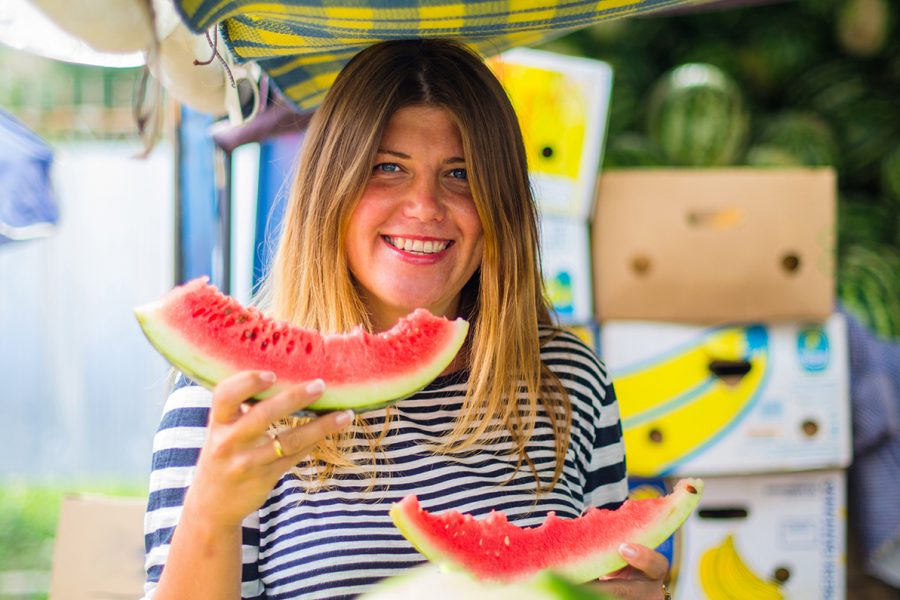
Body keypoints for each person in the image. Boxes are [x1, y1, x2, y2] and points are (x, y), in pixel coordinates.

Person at [142, 38, 670, 600]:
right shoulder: (228, 399)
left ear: (503, 204)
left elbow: (604, 577)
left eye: (461, 174)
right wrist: (208, 517)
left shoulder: (570, 381)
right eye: (388, 167)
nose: (424, 206)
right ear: (329, 190)